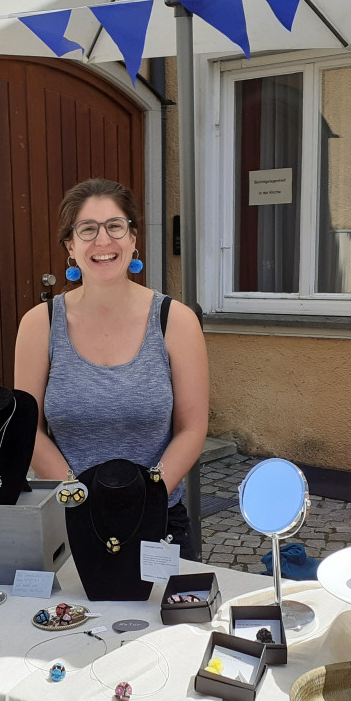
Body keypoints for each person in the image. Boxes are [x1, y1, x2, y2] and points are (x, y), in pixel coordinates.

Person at [14, 178, 209, 559]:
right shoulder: (40, 324)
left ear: (133, 238)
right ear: (71, 246)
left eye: (115, 226)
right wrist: (80, 498)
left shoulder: (176, 321)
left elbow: (193, 427)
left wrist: (146, 496)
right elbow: (29, 429)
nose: (103, 241)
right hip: (69, 519)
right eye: (88, 229)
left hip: (158, 520)